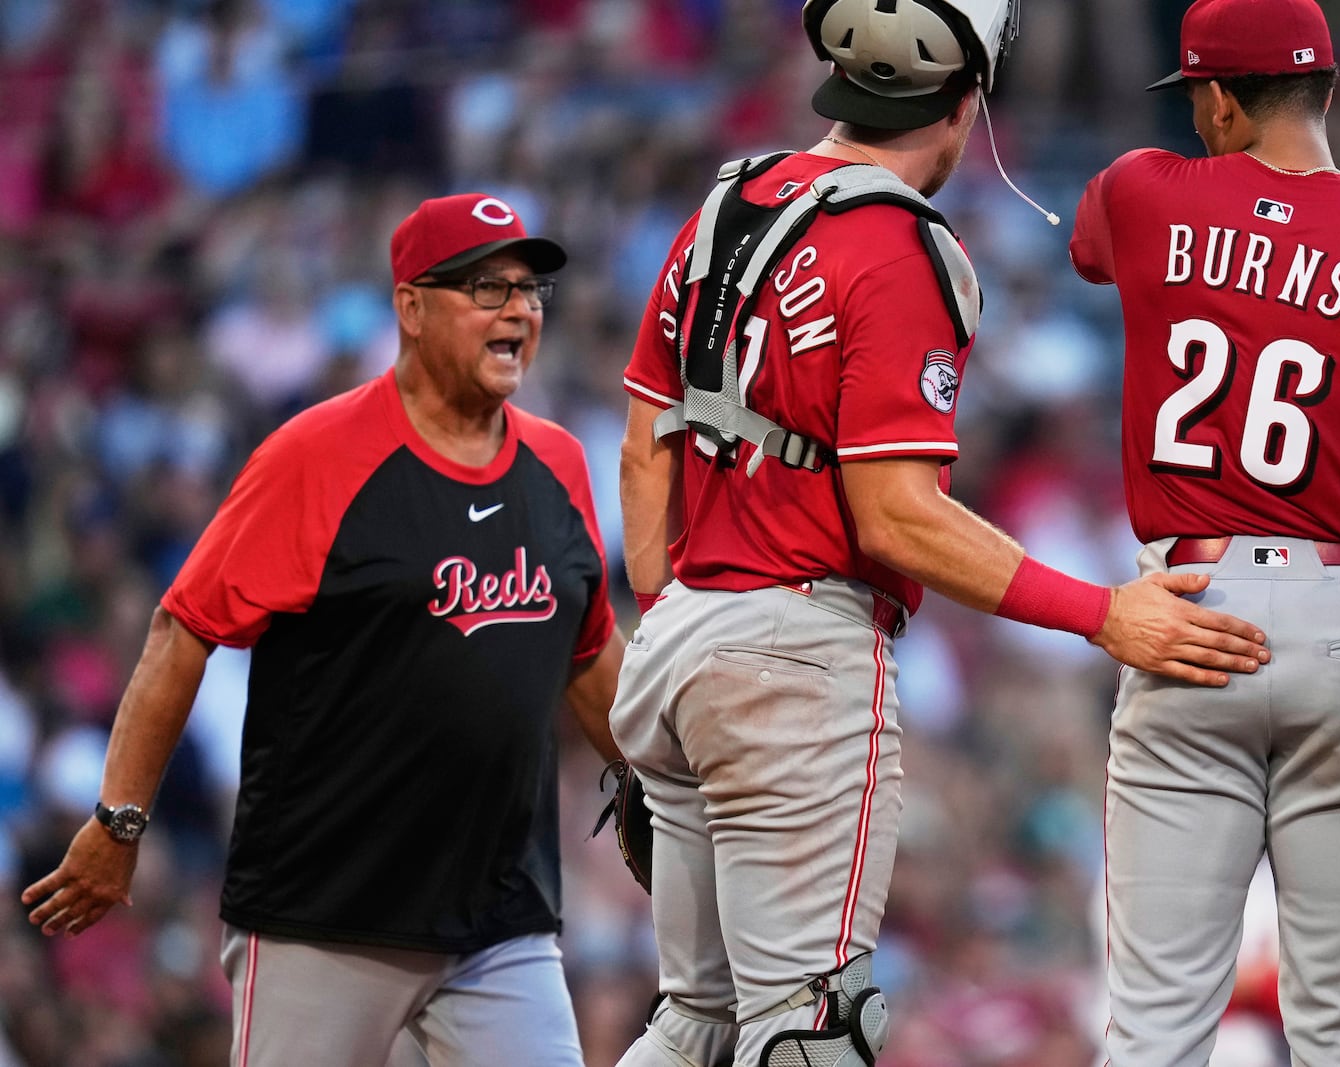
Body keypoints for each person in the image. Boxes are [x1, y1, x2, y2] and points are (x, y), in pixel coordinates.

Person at [609, 1, 1273, 1065]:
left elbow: (648, 444)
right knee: (808, 1034)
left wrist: (671, 623)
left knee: (694, 1020)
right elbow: (896, 513)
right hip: (793, 654)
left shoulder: (725, 206)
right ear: (968, 103)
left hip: (680, 637)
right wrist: (1101, 615)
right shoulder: (899, 243)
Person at [20, 192, 626, 1067]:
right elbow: (180, 630)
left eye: (529, 291)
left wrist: (651, 784)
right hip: (327, 911)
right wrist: (120, 822)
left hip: (501, 913)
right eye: (485, 288)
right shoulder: (318, 455)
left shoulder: (559, 462)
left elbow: (587, 647)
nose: (517, 310)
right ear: (410, 308)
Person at [1068, 0, 1340, 1063]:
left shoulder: (1141, 192)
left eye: (1198, 102)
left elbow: (1096, 246)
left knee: (1153, 1025)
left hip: (1189, 617)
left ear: (1217, 98)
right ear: (1326, 91)